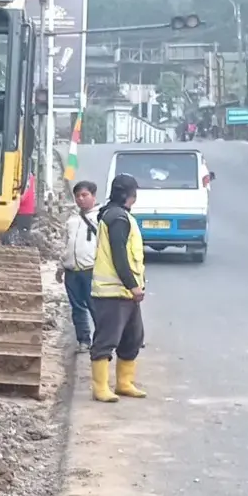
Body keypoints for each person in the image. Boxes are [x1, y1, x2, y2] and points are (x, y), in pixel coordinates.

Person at [89, 173, 147, 403]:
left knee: (132, 338)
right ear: (129, 194)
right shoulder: (117, 218)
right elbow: (119, 255)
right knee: (107, 339)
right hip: (113, 291)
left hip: (125, 293)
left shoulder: (118, 215)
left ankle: (124, 383)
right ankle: (100, 387)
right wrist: (132, 285)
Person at [57, 180, 99, 353]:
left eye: (85, 195)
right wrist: (61, 267)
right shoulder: (72, 220)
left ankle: (102, 341)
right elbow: (65, 244)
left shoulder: (100, 218)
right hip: (71, 271)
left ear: (93, 196)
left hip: (91, 271)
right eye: (78, 196)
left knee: (95, 307)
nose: (81, 199)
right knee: (77, 309)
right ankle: (83, 340)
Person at [1, 173, 36, 245]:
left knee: (21, 235)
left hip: (23, 211)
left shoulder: (26, 177)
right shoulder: (26, 176)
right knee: (10, 235)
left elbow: (23, 197)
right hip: (18, 210)